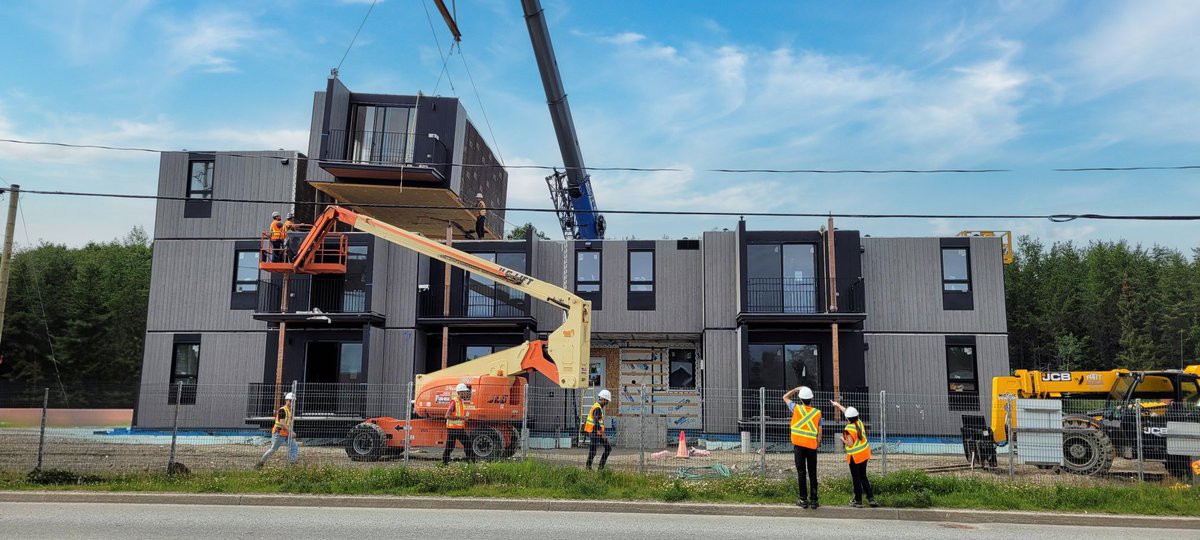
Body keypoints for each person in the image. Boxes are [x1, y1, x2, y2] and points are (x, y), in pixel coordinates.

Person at [831, 400, 877, 508]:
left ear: (847, 419)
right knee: (863, 477)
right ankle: (871, 498)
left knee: (856, 479)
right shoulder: (859, 423)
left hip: (855, 458)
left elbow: (850, 444)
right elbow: (847, 412)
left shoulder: (848, 428)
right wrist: (837, 405)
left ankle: (858, 501)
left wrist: (843, 439)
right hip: (864, 455)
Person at [784, 386, 821, 508]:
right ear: (811, 399)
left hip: (799, 446)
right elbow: (819, 432)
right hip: (812, 447)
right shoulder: (817, 413)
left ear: (800, 399)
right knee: (812, 473)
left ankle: (803, 499)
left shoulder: (796, 408)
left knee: (801, 473)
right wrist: (817, 444)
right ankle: (814, 500)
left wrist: (796, 389)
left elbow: (785, 397)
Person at [257, 392, 298, 467]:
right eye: (290, 401)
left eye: (293, 401)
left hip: (286, 433)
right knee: (273, 449)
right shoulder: (282, 410)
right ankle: (261, 463)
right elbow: (282, 422)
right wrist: (290, 432)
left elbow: (288, 423)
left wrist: (291, 431)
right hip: (279, 433)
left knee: (294, 447)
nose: (292, 403)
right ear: (286, 401)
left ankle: (293, 464)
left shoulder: (290, 411)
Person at [443, 383, 473, 465]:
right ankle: (445, 462)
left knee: (466, 443)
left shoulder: (460, 401)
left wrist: (463, 418)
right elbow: (447, 416)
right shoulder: (454, 401)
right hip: (453, 428)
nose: (466, 393)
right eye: (465, 391)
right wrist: (462, 418)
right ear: (460, 392)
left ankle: (470, 461)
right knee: (451, 446)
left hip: (458, 428)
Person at [584, 389, 613, 470]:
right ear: (603, 399)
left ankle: (599, 468)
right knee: (593, 451)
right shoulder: (597, 408)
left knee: (607, 449)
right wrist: (602, 434)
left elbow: (598, 422)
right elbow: (596, 422)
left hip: (597, 432)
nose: (607, 403)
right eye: (607, 401)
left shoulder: (598, 407)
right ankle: (589, 468)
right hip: (595, 432)